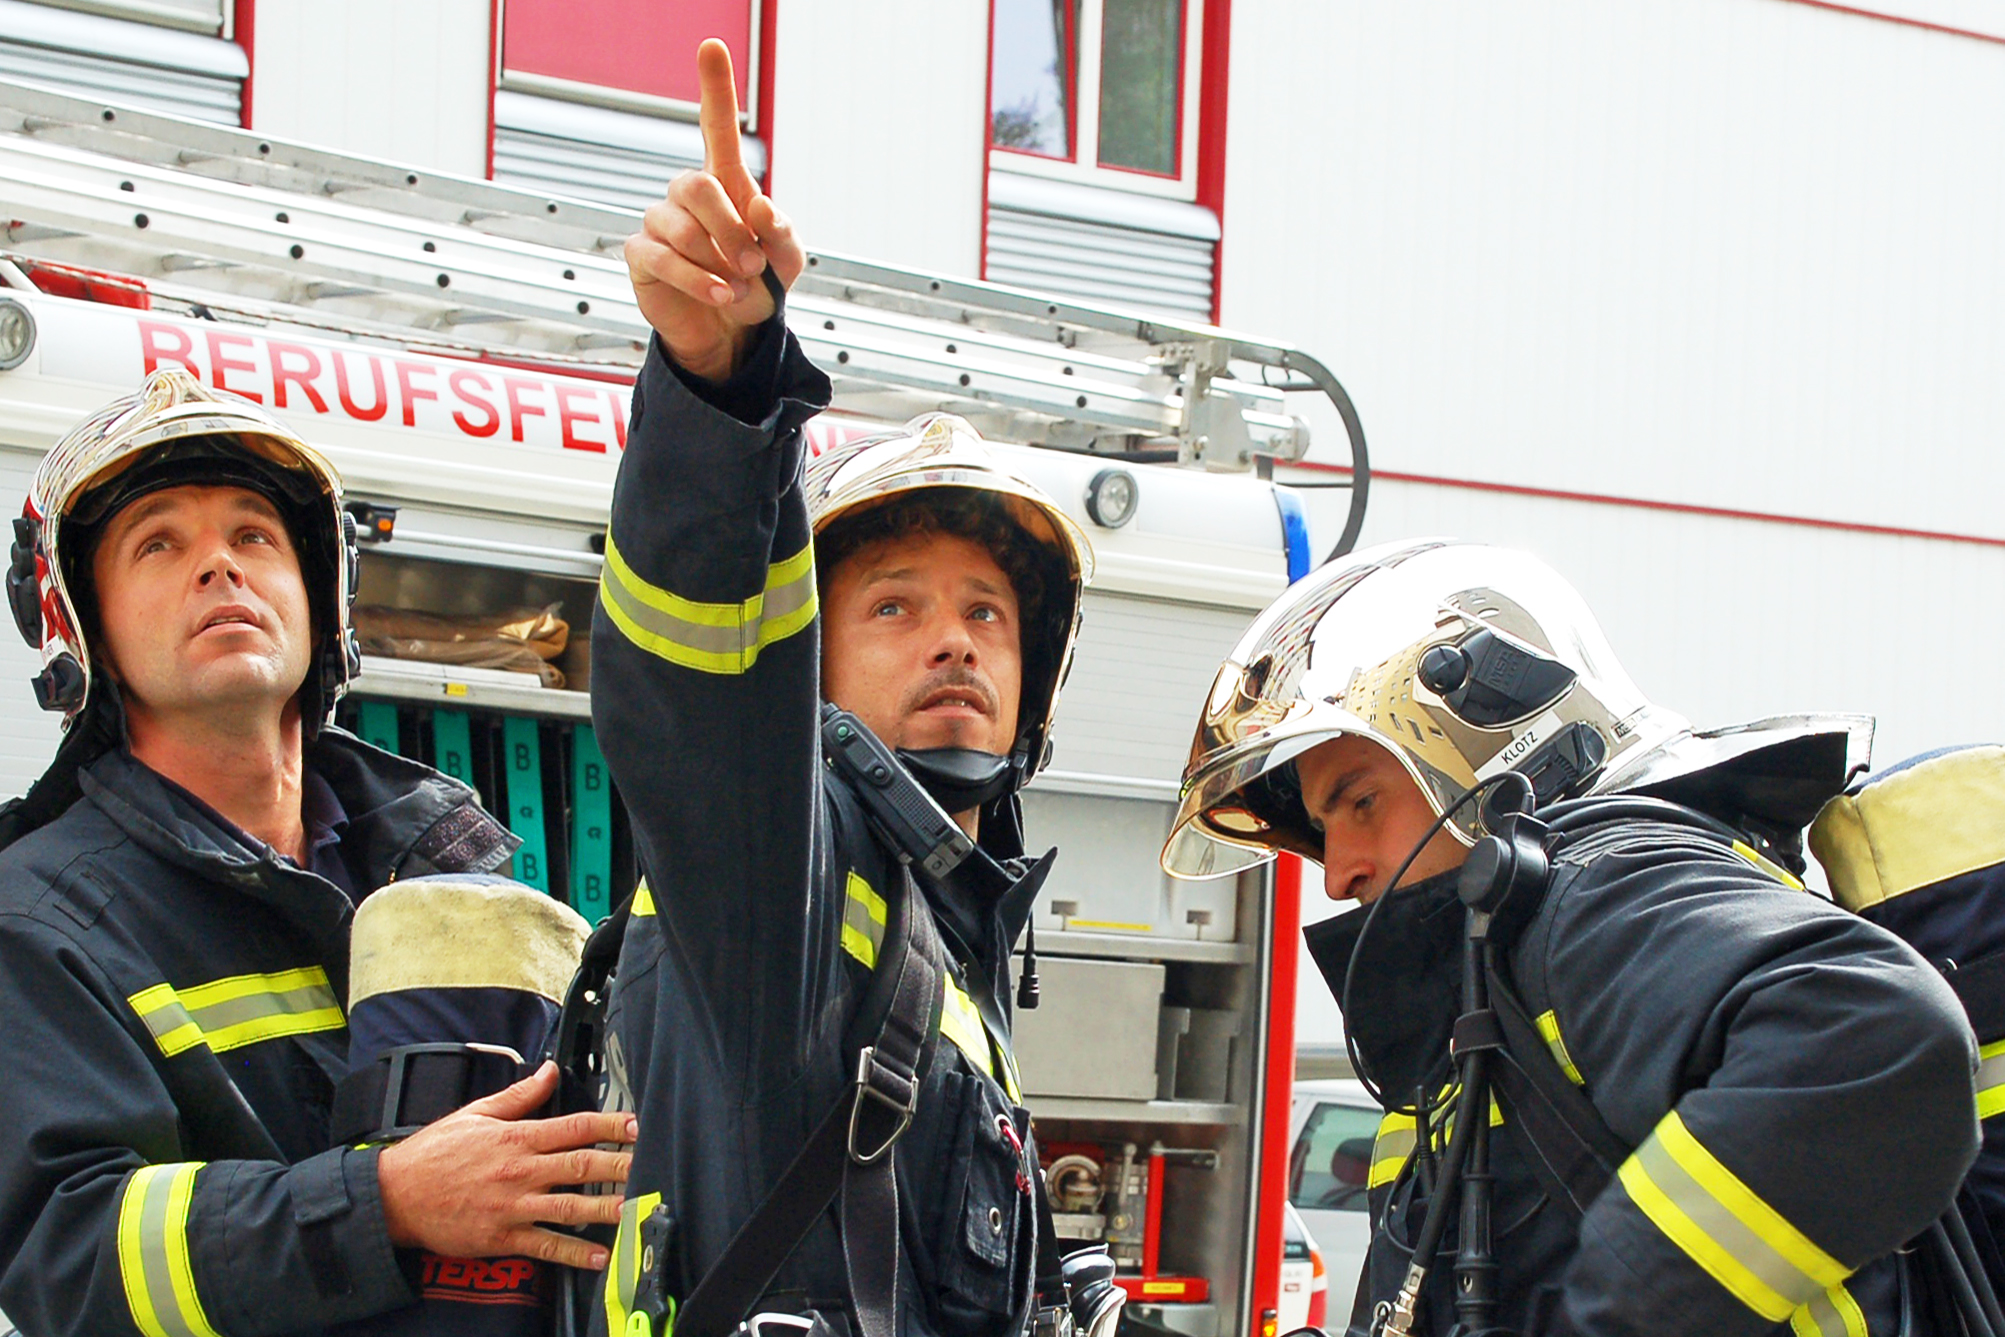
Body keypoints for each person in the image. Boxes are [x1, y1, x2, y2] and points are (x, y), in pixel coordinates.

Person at [590, 38, 1094, 1337]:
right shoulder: (789, 878)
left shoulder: (948, 921)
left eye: (986, 610)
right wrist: (715, 392)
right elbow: (698, 699)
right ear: (810, 656)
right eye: (894, 605)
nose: (955, 641)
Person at [1162, 538, 1979, 1337]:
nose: (1335, 872)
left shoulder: (1600, 883)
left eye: (1361, 801)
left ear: (1496, 754)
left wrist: (1612, 1309)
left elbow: (1871, 1033)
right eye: (1321, 830)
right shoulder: (1491, 978)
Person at [0, 369, 637, 1337]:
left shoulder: (447, 872)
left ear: (320, 595)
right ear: (85, 630)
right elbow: (71, 1254)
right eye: (158, 543)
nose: (219, 566)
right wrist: (384, 1200)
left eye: (253, 534)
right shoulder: (37, 922)